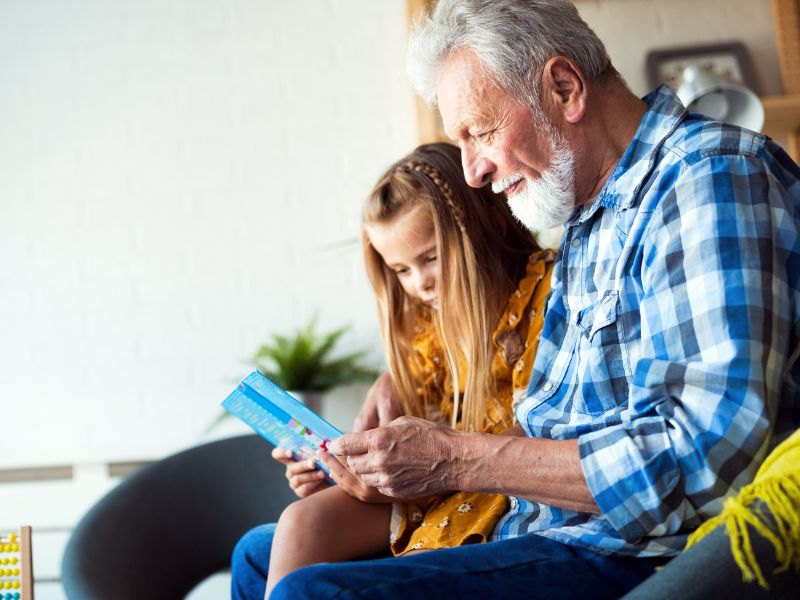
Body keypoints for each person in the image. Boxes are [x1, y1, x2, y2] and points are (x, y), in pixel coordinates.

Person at [235, 1, 800, 598]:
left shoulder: (707, 180)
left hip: (636, 553)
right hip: (543, 527)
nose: (473, 171)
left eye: (480, 132)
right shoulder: (590, 215)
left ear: (563, 88)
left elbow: (702, 457)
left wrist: (455, 457)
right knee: (258, 557)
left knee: (312, 591)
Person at [243, 142, 554, 598]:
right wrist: (339, 467)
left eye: (431, 258)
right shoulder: (429, 326)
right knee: (297, 522)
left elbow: (547, 429)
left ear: (480, 226)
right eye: (401, 270)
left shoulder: (546, 294)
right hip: (430, 485)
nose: (419, 283)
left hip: (504, 486)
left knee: (295, 533)